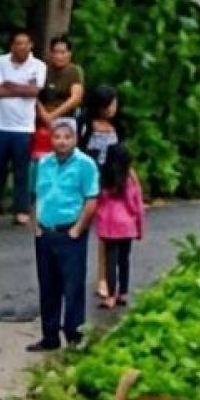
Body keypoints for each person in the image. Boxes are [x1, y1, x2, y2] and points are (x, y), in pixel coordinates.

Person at [28, 119, 100, 352]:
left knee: (73, 287)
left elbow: (91, 200)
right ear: (51, 138)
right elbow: (34, 195)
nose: (62, 142)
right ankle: (50, 336)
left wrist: (78, 229)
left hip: (70, 233)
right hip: (46, 232)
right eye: (57, 137)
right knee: (48, 286)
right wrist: (36, 226)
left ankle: (74, 336)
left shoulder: (85, 164)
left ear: (75, 139)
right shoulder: (43, 163)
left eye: (67, 137)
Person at [0, 28, 46, 228]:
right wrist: (22, 88)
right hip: (0, 124)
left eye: (26, 43)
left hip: (24, 127)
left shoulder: (38, 65)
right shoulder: (0, 62)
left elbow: (34, 91)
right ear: (12, 46)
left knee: (21, 170)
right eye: (18, 43)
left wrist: (9, 85)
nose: (22, 47)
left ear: (31, 45)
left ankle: (21, 210)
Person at [78, 83, 124, 305]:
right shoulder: (86, 125)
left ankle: (104, 278)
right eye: (110, 104)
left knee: (106, 235)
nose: (114, 108)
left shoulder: (117, 126)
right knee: (80, 229)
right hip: (88, 184)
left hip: (109, 184)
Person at [94, 143, 145, 310]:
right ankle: (123, 293)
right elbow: (135, 204)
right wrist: (139, 227)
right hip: (127, 225)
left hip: (109, 226)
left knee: (111, 260)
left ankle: (110, 295)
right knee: (124, 260)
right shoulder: (129, 180)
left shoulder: (103, 179)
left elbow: (97, 200)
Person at [32, 35, 85, 160]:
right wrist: (44, 114)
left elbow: (76, 98)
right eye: (55, 52)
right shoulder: (43, 69)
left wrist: (53, 116)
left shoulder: (74, 71)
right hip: (41, 117)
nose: (59, 56)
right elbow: (33, 92)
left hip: (64, 118)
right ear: (50, 53)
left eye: (62, 52)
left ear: (69, 54)